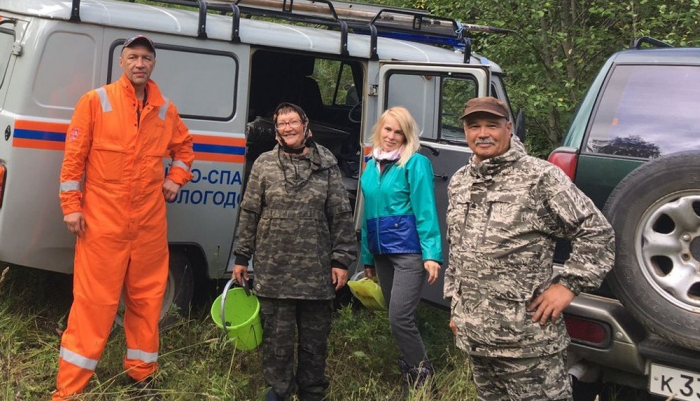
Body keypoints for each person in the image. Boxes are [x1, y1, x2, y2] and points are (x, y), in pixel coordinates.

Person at [444, 96, 615, 401]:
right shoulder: (460, 182)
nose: (483, 133)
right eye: (474, 126)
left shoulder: (540, 177)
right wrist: (456, 306)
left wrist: (568, 286)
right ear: (466, 131)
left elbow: (596, 232)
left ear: (508, 128)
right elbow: (458, 249)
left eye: (492, 125)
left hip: (527, 343)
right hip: (477, 341)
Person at [55, 35, 195, 399]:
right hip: (102, 223)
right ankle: (69, 390)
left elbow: (184, 149)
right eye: (133, 57)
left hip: (148, 225)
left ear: (153, 65)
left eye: (146, 58)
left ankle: (141, 378)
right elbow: (74, 159)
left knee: (148, 301)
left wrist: (175, 179)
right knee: (93, 305)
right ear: (121, 62)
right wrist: (71, 206)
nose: (139, 63)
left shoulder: (165, 110)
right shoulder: (95, 102)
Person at [232, 102, 357, 401]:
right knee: (277, 341)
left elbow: (340, 213)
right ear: (276, 130)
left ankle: (312, 391)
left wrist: (341, 260)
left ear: (305, 123)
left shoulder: (326, 161)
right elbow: (249, 211)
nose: (287, 128)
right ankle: (280, 390)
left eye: (293, 122)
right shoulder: (264, 163)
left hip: (315, 272)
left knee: (314, 342)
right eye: (281, 123)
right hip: (274, 270)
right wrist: (241, 256)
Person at [359, 106, 443, 393]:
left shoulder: (415, 163)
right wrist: (367, 257)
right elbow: (368, 214)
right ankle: (412, 374)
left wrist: (431, 254)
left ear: (407, 136)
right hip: (381, 252)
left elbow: (426, 210)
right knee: (398, 316)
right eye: (387, 129)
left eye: (399, 132)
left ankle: (424, 382)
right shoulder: (370, 165)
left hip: (409, 252)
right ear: (379, 129)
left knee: (399, 316)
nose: (392, 136)